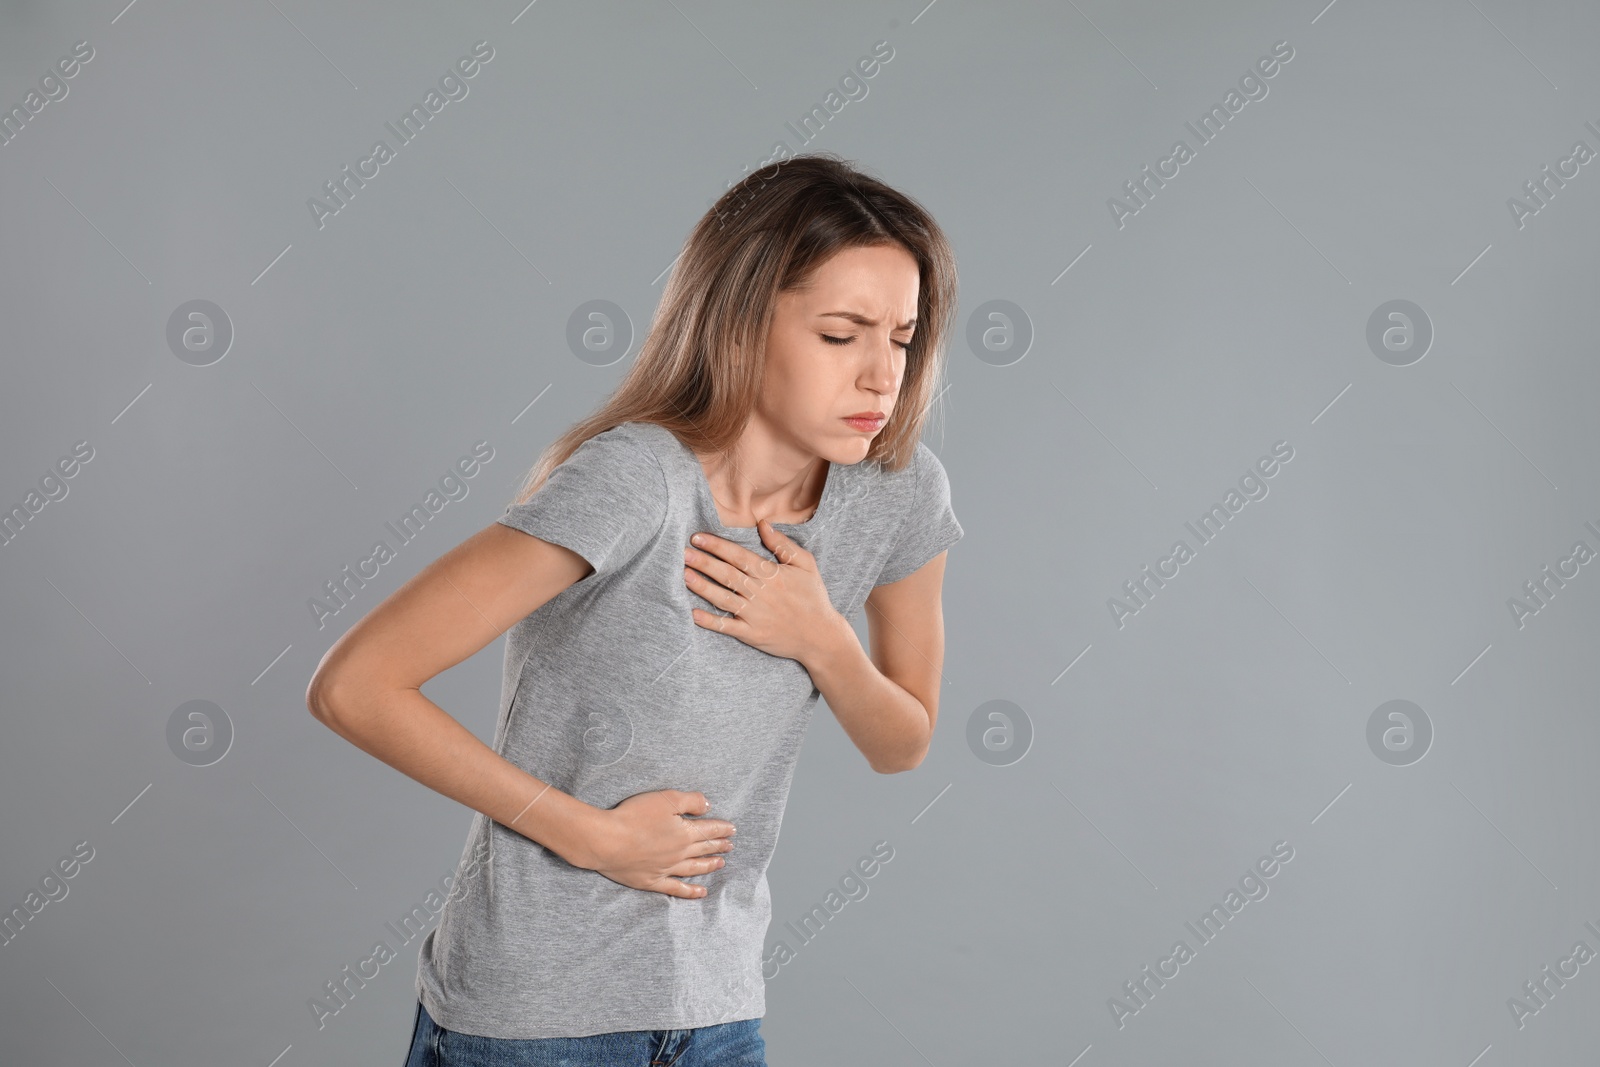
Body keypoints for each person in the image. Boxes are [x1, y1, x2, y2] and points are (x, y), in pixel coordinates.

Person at [304, 152, 964, 1067]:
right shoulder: (636, 481)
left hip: (715, 1006)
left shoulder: (896, 492)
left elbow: (905, 741)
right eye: (841, 333)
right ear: (739, 325)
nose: (880, 375)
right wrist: (593, 836)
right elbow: (354, 685)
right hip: (532, 1017)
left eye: (901, 335)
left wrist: (822, 640)